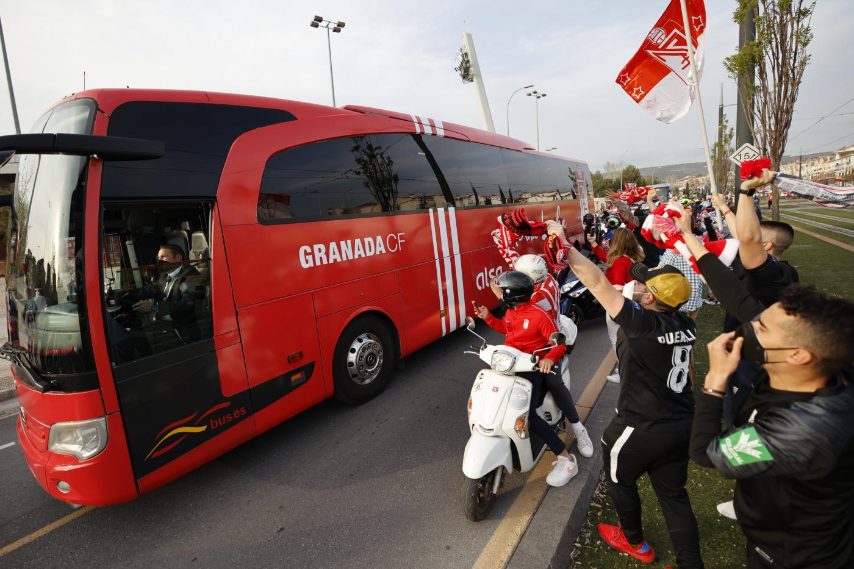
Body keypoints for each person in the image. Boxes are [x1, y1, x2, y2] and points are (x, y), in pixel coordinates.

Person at [680, 228, 854, 568]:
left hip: (794, 555)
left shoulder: (801, 430)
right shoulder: (817, 366)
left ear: (798, 355)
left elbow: (705, 451)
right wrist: (688, 236)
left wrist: (715, 381)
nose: (750, 326)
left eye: (761, 328)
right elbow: (738, 299)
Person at [555, 228, 705, 568]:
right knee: (674, 496)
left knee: (619, 479)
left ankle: (634, 541)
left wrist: (566, 247)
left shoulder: (642, 323)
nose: (636, 285)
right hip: (681, 421)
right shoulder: (685, 322)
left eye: (643, 285)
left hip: (641, 425)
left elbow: (597, 282)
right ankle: (691, 564)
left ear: (650, 299)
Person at [474, 271, 579, 487]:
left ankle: (565, 458)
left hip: (530, 369)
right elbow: (506, 329)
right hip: (509, 364)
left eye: (503, 291)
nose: (500, 294)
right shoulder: (512, 311)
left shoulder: (540, 316)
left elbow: (559, 344)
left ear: (512, 295)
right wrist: (488, 317)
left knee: (528, 416)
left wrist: (548, 358)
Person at [512, 254, 595, 458]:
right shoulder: (544, 276)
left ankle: (578, 427)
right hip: (534, 337)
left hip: (549, 341)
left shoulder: (537, 298)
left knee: (553, 381)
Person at [597, 228, 645, 384]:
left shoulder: (619, 261)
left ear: (616, 242)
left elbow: (618, 286)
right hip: (632, 304)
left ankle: (623, 372)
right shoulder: (632, 259)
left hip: (617, 305)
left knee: (617, 340)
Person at [132, 243, 202, 342]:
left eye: (163, 257)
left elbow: (187, 304)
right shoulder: (166, 275)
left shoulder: (191, 276)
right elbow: (152, 289)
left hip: (183, 329)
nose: (159, 261)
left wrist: (153, 308)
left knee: (138, 337)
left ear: (178, 258)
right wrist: (127, 294)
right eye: (158, 258)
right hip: (167, 322)